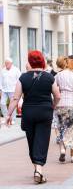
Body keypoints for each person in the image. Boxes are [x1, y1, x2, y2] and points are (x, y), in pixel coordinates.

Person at [6, 51, 60, 184]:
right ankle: (39, 169)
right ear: (41, 61)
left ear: (30, 61)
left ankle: (37, 169)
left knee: (32, 140)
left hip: (29, 112)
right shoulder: (49, 77)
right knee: (42, 140)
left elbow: (15, 98)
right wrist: (53, 105)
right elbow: (57, 96)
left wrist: (8, 115)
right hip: (44, 112)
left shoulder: (23, 78)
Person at [0, 58, 21, 124]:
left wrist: (19, 90)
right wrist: (0, 89)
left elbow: (20, 80)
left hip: (13, 90)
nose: (6, 64)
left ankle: (13, 119)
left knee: (12, 105)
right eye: (5, 63)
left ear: (11, 63)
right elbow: (0, 80)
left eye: (7, 63)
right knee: (2, 103)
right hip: (4, 90)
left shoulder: (16, 70)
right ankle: (7, 117)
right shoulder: (3, 70)